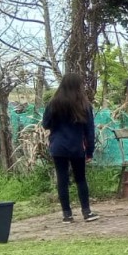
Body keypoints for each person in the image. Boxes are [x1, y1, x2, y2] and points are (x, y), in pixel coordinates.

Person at [42, 72, 100, 223]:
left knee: (62, 180)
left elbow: (45, 124)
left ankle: (67, 215)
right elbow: (90, 130)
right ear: (78, 86)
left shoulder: (53, 103)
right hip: (76, 147)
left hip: (58, 147)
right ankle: (87, 212)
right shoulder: (84, 105)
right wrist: (90, 151)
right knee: (80, 179)